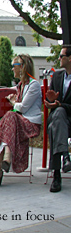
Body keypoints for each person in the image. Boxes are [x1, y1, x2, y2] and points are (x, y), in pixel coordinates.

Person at [0, 54, 42, 188]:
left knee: (9, 117)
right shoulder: (20, 86)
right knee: (9, 119)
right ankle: (5, 159)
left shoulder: (33, 85)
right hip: (19, 123)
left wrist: (13, 101)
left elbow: (22, 108)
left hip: (30, 124)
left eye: (14, 66)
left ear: (22, 67)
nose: (12, 69)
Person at [45, 46, 71, 193]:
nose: (59, 59)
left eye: (61, 56)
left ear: (70, 58)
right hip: (58, 118)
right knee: (57, 118)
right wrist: (51, 102)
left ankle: (56, 176)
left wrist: (60, 104)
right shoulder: (57, 76)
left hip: (68, 118)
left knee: (55, 125)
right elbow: (53, 101)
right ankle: (65, 156)